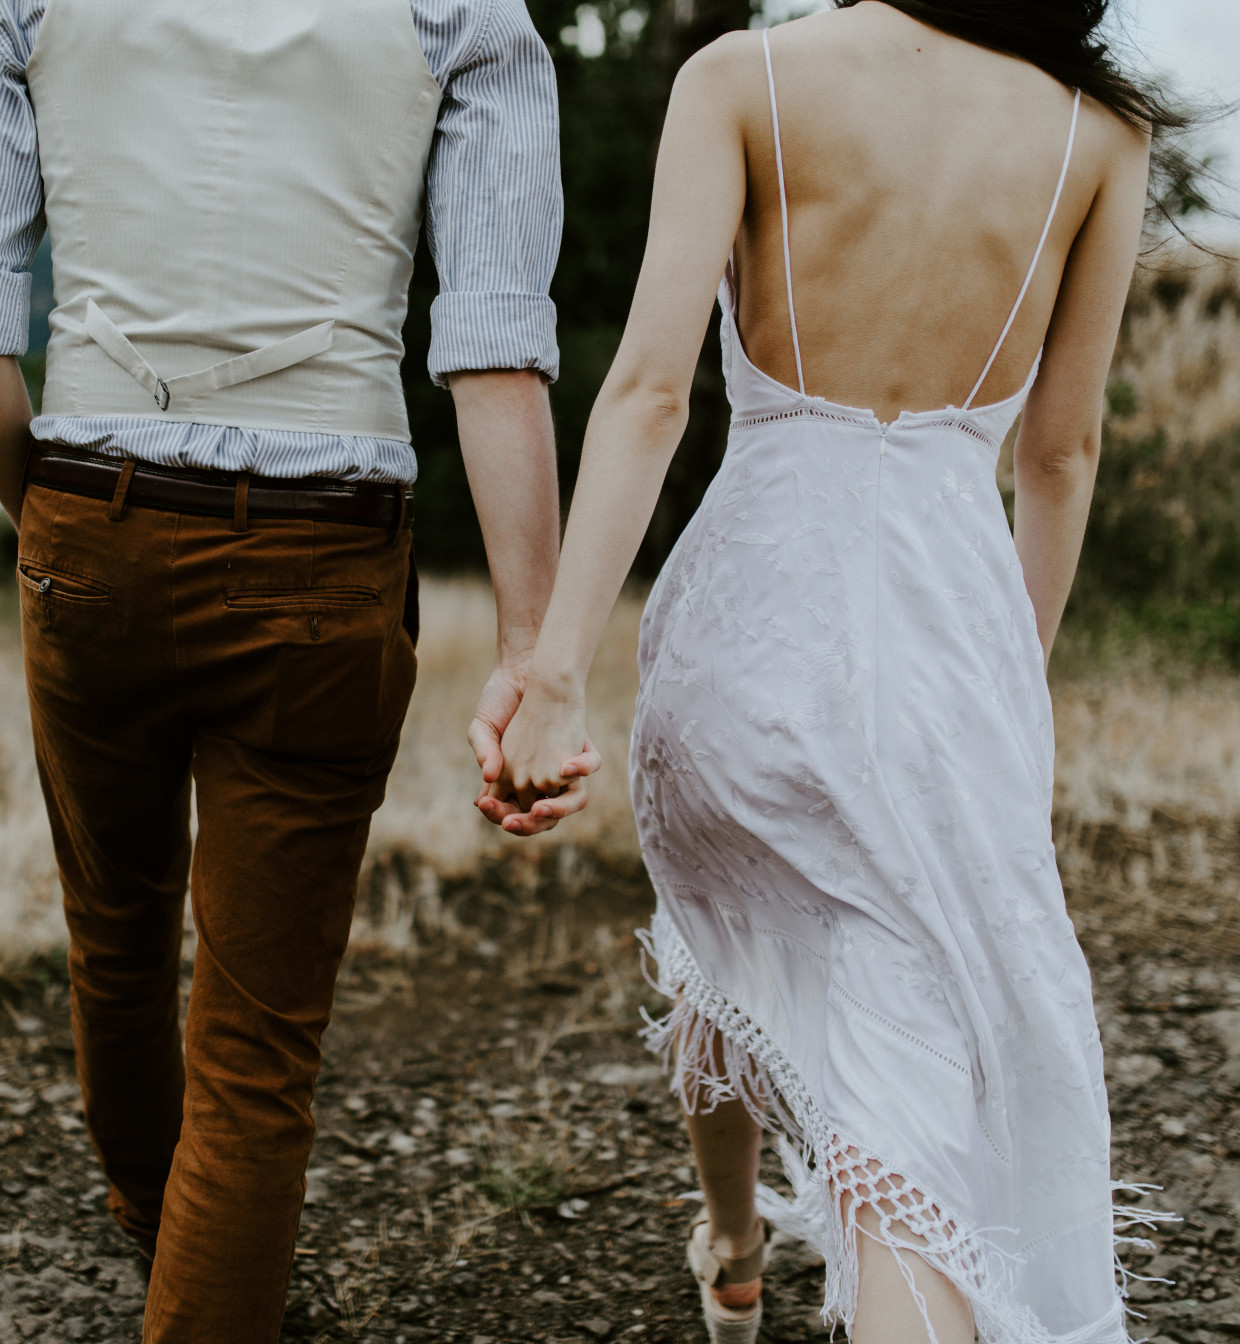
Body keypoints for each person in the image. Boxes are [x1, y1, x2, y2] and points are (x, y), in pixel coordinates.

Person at [489, 2, 1191, 1340]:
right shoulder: (1101, 136)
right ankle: (830, 1259)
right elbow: (1060, 456)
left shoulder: (744, 76)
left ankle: (737, 1244)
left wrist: (558, 673)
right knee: (899, 1108)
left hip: (742, 639)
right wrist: (1002, 694)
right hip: (943, 651)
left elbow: (647, 393)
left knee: (725, 938)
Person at [0, 1, 571, 1339]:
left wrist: (55, 517)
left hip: (94, 510)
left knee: (117, 928)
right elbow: (494, 347)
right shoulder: (471, 14)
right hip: (325, 560)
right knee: (258, 1055)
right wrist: (531, 655)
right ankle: (194, 1257)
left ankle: (156, 1215)